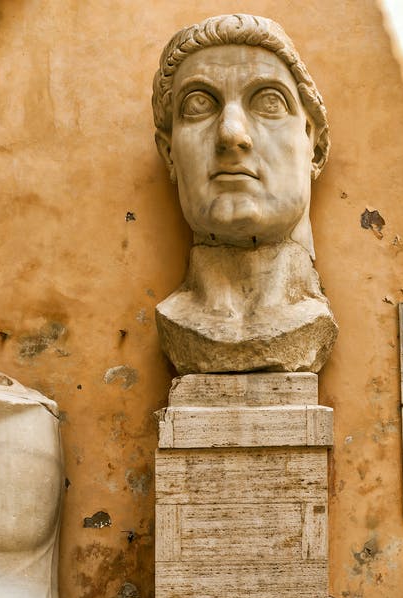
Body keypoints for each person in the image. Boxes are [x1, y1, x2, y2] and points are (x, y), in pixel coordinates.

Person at [151, 15, 337, 375]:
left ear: (315, 148)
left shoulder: (308, 318)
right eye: (199, 104)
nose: (231, 135)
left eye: (269, 102)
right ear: (169, 153)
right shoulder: (175, 318)